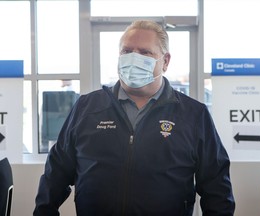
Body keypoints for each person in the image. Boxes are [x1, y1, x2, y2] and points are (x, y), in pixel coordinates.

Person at [33, 20, 235, 216]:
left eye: (145, 52)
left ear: (165, 61)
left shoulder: (193, 115)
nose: (133, 58)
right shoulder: (87, 108)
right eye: (127, 51)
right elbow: (56, 173)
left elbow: (216, 188)